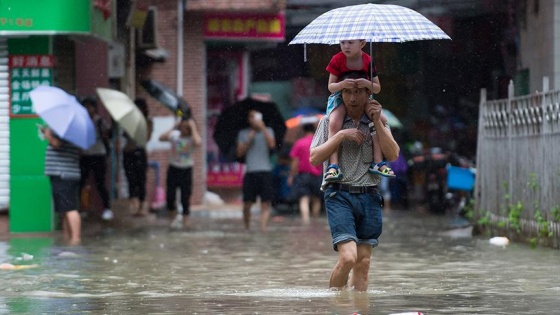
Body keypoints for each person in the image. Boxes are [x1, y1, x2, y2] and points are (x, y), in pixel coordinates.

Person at [310, 71, 400, 291]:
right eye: (347, 92)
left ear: (368, 93)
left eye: (358, 92)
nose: (352, 98)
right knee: (349, 258)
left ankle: (358, 309)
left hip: (370, 194)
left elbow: (394, 154)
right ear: (340, 93)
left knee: (364, 262)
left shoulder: (377, 119)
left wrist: (377, 122)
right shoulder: (331, 121)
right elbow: (314, 158)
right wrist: (340, 136)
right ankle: (336, 305)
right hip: (339, 194)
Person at [324, 39, 395, 182]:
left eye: (350, 43)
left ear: (362, 44)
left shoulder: (368, 60)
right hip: (342, 97)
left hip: (363, 97)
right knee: (334, 123)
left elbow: (377, 88)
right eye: (343, 42)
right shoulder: (337, 59)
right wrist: (342, 84)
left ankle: (377, 161)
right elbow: (331, 87)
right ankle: (333, 165)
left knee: (379, 119)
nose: (346, 46)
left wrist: (367, 83)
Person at [236, 109, 276, 231]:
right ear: (249, 120)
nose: (255, 120)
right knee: (247, 204)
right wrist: (249, 139)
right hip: (250, 172)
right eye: (252, 117)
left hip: (265, 171)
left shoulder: (268, 131)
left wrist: (263, 128)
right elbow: (239, 153)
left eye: (257, 116)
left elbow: (272, 145)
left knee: (265, 203)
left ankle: (263, 229)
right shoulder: (243, 133)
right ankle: (246, 228)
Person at [159, 116, 202, 229]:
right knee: (170, 196)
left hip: (186, 170)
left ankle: (186, 222)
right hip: (173, 168)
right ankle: (172, 221)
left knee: (185, 197)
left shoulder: (192, 139)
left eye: (186, 127)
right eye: (182, 126)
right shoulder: (174, 136)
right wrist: (173, 126)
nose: (184, 129)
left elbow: (198, 142)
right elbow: (161, 138)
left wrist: (193, 128)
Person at [42, 127, 82, 245]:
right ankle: (68, 237)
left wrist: (48, 135)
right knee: (65, 208)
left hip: (63, 173)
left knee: (69, 207)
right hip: (65, 173)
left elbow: (57, 144)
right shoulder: (72, 132)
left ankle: (75, 238)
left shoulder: (64, 130)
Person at [79, 97, 114, 221]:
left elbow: (109, 134)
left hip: (98, 154)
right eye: (85, 107)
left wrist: (109, 130)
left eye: (90, 106)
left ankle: (107, 208)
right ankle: (81, 208)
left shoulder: (99, 121)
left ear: (95, 108)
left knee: (100, 183)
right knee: (81, 183)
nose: (88, 109)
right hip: (85, 155)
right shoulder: (81, 121)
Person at [123, 98, 153, 217]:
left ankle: (141, 206)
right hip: (128, 152)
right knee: (131, 179)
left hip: (140, 152)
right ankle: (133, 205)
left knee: (141, 179)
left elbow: (147, 137)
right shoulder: (129, 121)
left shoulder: (148, 122)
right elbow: (125, 134)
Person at [288, 123, 323, 224]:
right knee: (316, 199)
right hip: (317, 175)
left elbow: (295, 162)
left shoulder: (299, 143)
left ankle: (306, 222)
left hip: (303, 175)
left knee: (304, 199)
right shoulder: (319, 142)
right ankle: (315, 222)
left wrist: (291, 175)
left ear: (303, 131)